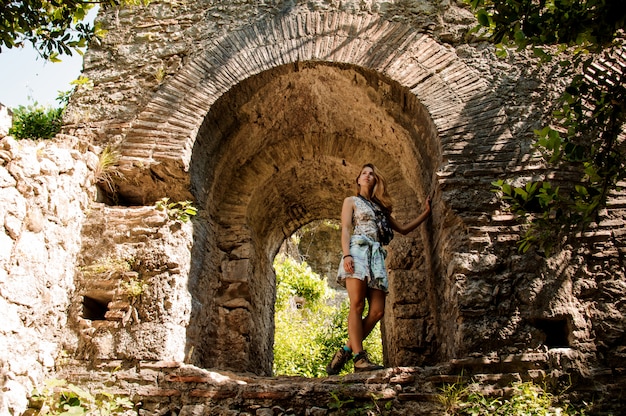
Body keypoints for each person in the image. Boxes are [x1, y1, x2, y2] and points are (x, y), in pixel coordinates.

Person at [326, 163, 432, 374]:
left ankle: (346, 350)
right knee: (356, 304)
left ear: (375, 180)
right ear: (358, 180)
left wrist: (426, 213)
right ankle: (359, 358)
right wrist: (347, 254)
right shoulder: (351, 201)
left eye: (371, 174)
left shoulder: (379, 208)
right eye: (364, 173)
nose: (367, 176)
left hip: (375, 256)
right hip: (357, 250)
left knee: (377, 311)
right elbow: (346, 229)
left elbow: (402, 229)